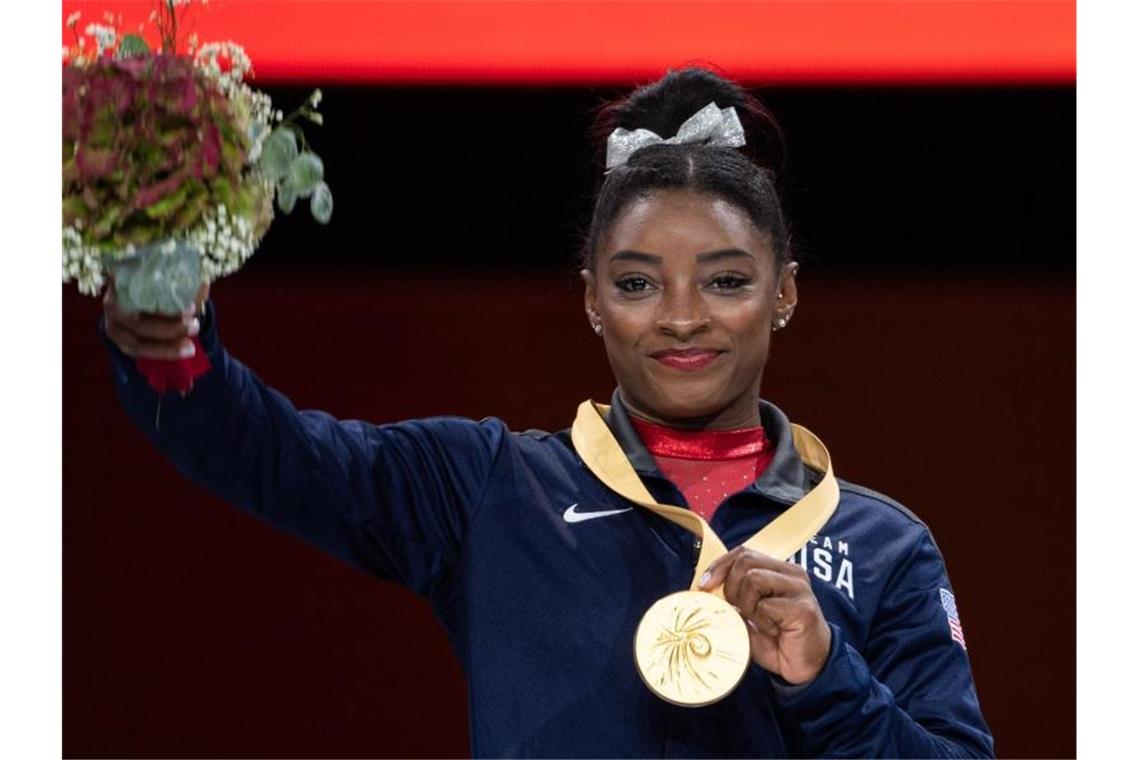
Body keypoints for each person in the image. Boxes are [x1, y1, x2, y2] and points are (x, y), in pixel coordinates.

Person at [100, 67, 994, 757]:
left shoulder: (884, 548)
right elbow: (266, 452)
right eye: (638, 283)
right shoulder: (490, 490)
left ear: (785, 293)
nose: (682, 316)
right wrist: (164, 335)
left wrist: (830, 677)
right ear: (592, 299)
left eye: (725, 280)